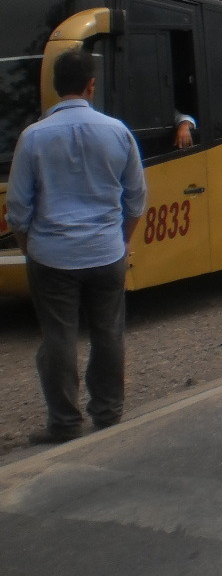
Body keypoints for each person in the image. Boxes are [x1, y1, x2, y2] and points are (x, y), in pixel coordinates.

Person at [5, 49, 147, 445]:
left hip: (52, 256)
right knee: (108, 333)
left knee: (59, 337)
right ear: (91, 85)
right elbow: (136, 199)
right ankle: (107, 411)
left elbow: (17, 209)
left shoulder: (33, 137)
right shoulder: (118, 132)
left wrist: (30, 247)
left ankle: (65, 423)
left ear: (53, 87)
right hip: (106, 252)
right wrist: (120, 241)